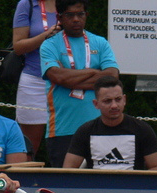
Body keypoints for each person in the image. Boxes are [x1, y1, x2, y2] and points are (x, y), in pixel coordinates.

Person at [39, 0, 119, 168]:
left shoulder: (100, 43)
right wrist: (95, 73)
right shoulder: (49, 45)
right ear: (59, 17)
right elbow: (59, 77)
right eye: (70, 15)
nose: (76, 19)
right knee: (65, 186)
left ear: (86, 15)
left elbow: (112, 77)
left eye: (80, 14)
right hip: (63, 130)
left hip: (99, 129)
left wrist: (70, 77)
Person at [63, 75, 157, 170]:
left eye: (118, 99)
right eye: (107, 101)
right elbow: (68, 169)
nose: (114, 105)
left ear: (124, 100)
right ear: (96, 104)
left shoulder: (142, 129)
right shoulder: (85, 131)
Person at [12, 0, 60, 158]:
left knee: (66, 143)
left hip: (64, 81)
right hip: (34, 81)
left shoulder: (69, 3)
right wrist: (46, 35)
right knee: (29, 146)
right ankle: (24, 181)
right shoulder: (27, 4)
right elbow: (18, 46)